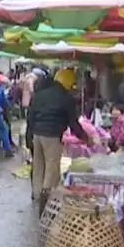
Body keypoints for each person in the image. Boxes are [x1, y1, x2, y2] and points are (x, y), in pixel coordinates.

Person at [26, 68, 91, 204]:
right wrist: (85, 138)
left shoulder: (39, 94)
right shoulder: (66, 98)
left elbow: (30, 117)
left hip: (36, 134)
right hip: (52, 136)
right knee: (52, 168)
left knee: (38, 166)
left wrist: (29, 137)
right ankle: (47, 197)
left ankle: (37, 195)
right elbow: (73, 123)